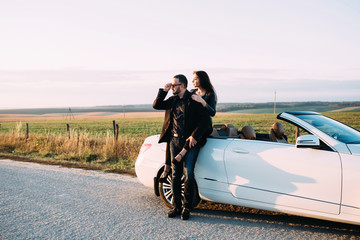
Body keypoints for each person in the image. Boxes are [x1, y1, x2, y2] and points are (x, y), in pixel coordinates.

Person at [153, 74, 210, 220]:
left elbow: (205, 122)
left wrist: (194, 136)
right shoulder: (172, 100)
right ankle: (176, 207)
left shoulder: (193, 100)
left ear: (183, 86)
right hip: (174, 141)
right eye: (172, 85)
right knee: (176, 174)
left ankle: (186, 208)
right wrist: (163, 91)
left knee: (188, 173)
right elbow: (156, 105)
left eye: (174, 85)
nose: (172, 87)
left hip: (190, 143)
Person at [159, 70, 217, 181]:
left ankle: (182, 152)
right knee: (171, 136)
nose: (193, 81)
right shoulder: (192, 91)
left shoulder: (210, 94)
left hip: (204, 127)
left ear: (202, 80)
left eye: (195, 79)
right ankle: (167, 166)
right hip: (193, 126)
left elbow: (212, 113)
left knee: (192, 137)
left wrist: (202, 102)